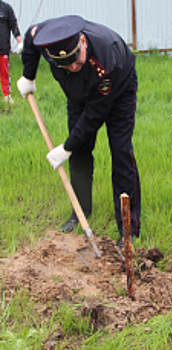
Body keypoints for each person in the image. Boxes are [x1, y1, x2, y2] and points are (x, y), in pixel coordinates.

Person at [17, 15, 141, 246]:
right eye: (66, 65)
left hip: (118, 89)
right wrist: (28, 75)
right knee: (80, 154)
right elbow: (30, 39)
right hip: (78, 95)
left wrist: (66, 147)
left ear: (83, 41)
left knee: (121, 152)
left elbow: (94, 115)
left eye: (77, 60)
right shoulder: (44, 38)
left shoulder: (107, 57)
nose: (73, 67)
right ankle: (80, 211)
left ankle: (128, 228)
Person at [0, 0, 22, 104]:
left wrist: (20, 41)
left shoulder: (6, 8)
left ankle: (6, 95)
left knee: (4, 73)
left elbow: (13, 24)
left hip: (3, 47)